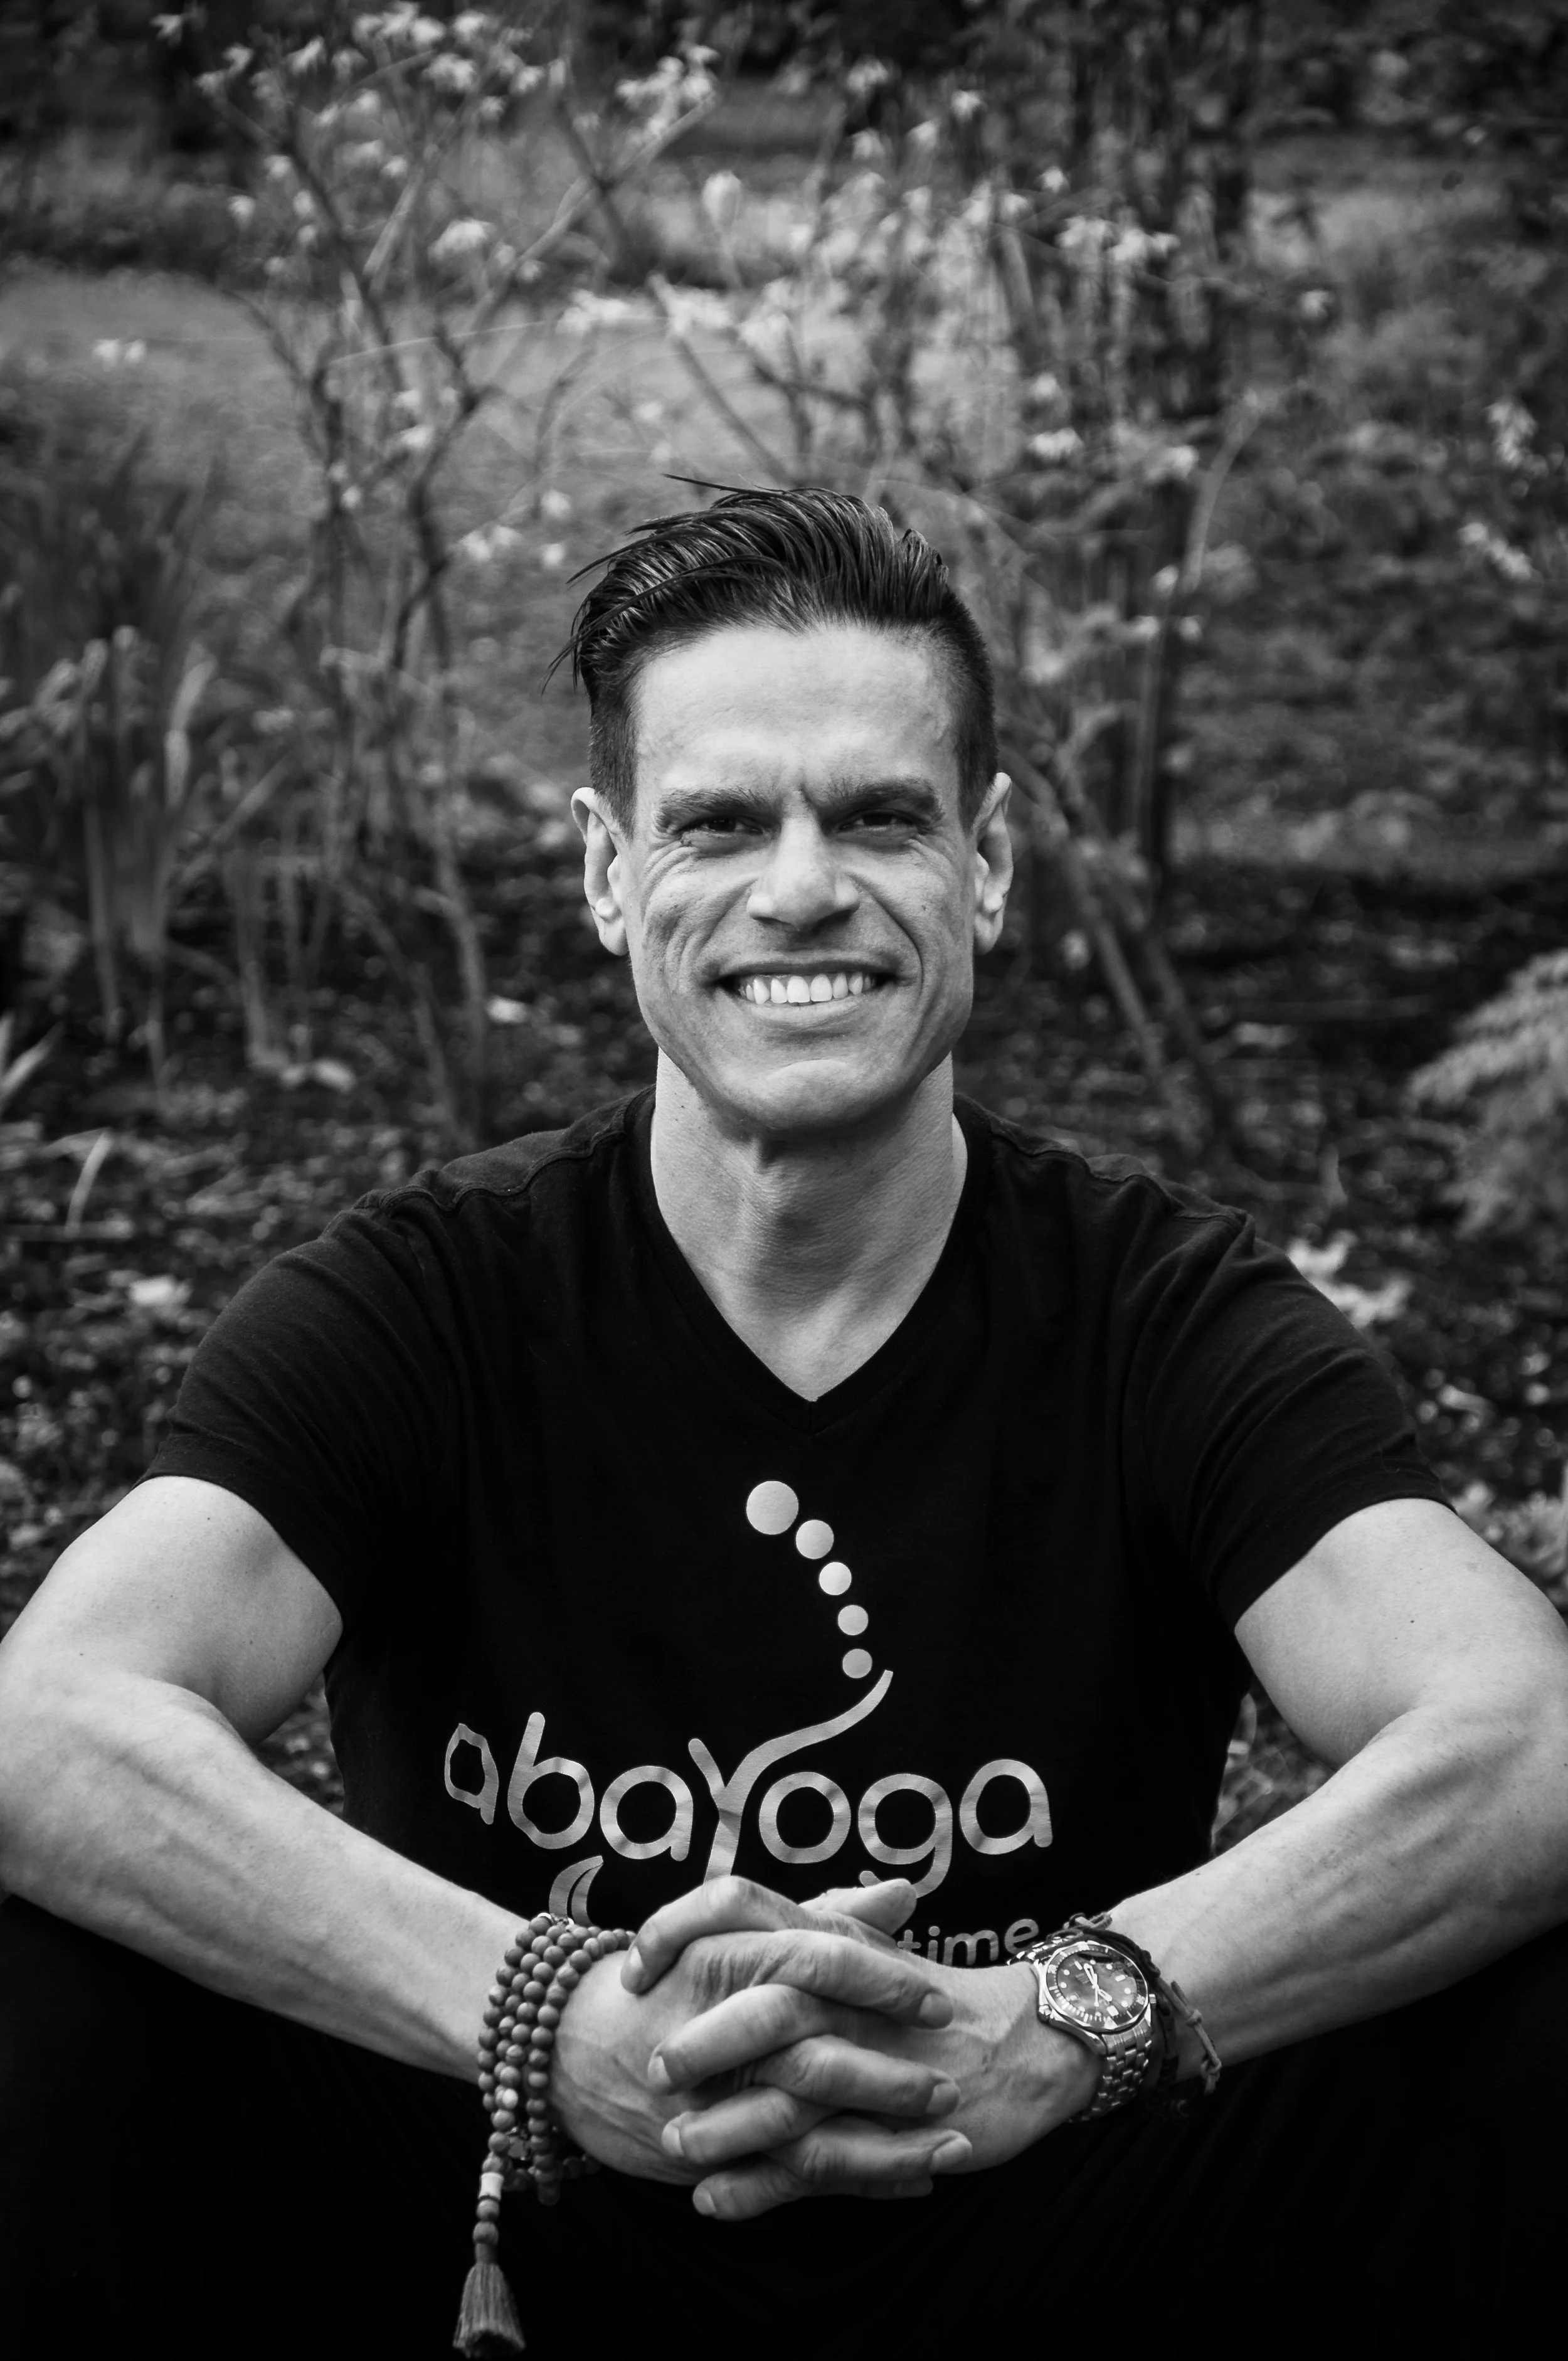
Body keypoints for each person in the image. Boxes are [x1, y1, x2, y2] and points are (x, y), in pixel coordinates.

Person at [2, 487, 1566, 2361]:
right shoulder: (427, 1302)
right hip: (505, 2240)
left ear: (987, 863)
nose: (802, 886)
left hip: (1060, 2247)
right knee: (49, 1974)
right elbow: (47, 1721)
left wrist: (1063, 2018)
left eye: (880, 816)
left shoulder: (1160, 1316)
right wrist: (545, 2018)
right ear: (608, 873)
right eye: (721, 821)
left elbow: (1530, 1733)